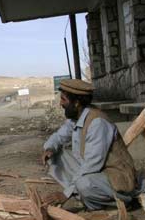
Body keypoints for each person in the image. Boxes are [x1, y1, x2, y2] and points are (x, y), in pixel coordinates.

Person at [41, 79, 138, 211]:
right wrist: (50, 148)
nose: (60, 103)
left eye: (63, 99)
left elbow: (91, 165)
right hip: (97, 173)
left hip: (115, 178)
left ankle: (120, 204)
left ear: (76, 103)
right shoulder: (78, 117)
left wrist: (65, 194)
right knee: (55, 155)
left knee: (83, 184)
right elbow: (59, 136)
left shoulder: (98, 123)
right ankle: (85, 197)